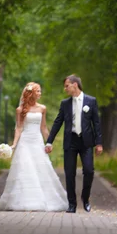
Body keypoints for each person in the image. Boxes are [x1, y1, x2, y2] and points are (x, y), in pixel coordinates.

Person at [0, 82, 67, 212]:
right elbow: (19, 127)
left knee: (40, 168)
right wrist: (15, 144)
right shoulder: (20, 110)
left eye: (40, 91)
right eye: (38, 91)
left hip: (37, 141)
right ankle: (24, 201)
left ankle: (44, 200)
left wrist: (49, 142)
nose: (40, 93)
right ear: (31, 93)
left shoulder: (42, 108)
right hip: (25, 142)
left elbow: (43, 127)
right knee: (25, 169)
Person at [45, 75, 103, 213]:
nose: (65, 89)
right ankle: (72, 204)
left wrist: (99, 143)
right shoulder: (65, 104)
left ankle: (86, 198)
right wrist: (49, 141)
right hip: (70, 141)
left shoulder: (91, 101)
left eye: (67, 86)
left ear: (75, 84)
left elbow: (96, 124)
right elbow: (58, 122)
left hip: (86, 142)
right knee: (69, 173)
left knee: (89, 171)